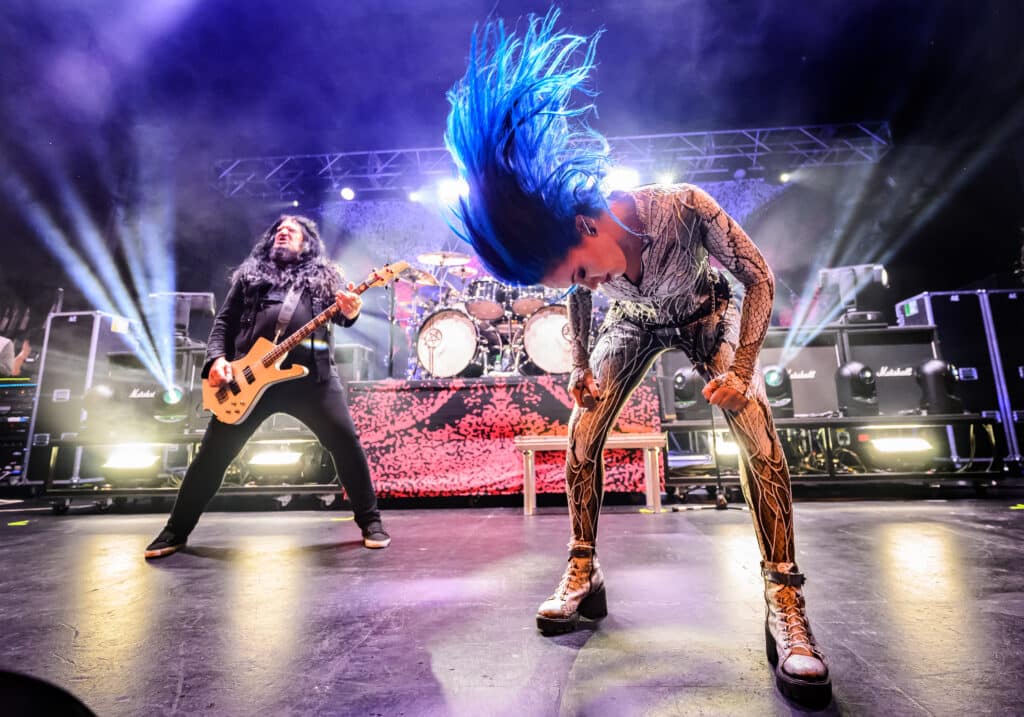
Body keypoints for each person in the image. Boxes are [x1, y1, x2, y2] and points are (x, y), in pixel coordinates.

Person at [444, 9, 830, 707]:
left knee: (761, 441)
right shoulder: (587, 269)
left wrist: (741, 373)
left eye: (581, 270)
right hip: (635, 324)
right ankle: (582, 570)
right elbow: (582, 297)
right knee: (581, 435)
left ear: (588, 225)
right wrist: (580, 364)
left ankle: (785, 601)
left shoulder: (684, 207)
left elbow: (761, 275)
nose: (582, 281)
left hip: (705, 315)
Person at [145, 215, 390, 558]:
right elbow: (224, 323)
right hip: (249, 377)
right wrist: (217, 360)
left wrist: (351, 311)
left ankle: (371, 521)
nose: (282, 232)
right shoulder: (250, 276)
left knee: (345, 442)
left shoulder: (325, 277)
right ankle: (175, 530)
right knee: (213, 456)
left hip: (311, 379)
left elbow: (342, 315)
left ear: (308, 243)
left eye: (292, 230)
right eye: (278, 230)